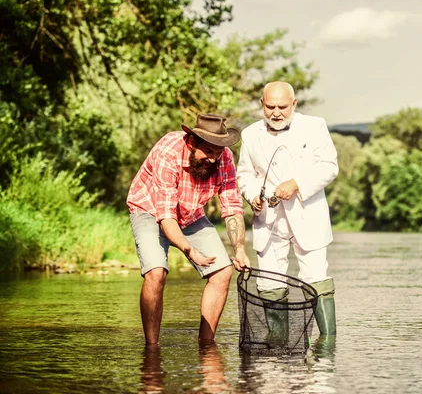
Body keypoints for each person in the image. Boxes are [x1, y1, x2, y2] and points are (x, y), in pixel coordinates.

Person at [127, 113, 251, 346]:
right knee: (156, 272)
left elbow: (232, 207)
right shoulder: (169, 152)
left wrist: (241, 249)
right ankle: (152, 347)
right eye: (208, 152)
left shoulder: (224, 158)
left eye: (218, 152)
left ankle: (206, 345)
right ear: (193, 142)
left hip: (191, 213)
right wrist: (188, 249)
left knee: (223, 271)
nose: (214, 159)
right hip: (149, 210)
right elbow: (166, 217)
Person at [236, 81, 338, 336]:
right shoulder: (249, 134)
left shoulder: (315, 126)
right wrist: (252, 195)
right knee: (269, 282)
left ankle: (327, 346)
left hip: (308, 216)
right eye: (270, 106)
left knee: (316, 277)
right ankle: (277, 349)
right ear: (262, 104)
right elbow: (245, 175)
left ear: (294, 104)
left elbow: (329, 167)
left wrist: (297, 184)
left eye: (282, 106)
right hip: (268, 220)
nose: (276, 112)